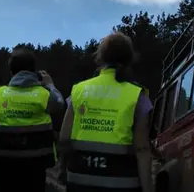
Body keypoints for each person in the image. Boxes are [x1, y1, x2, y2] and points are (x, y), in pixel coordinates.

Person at [58, 32, 154, 192]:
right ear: (130, 59)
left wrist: (62, 170)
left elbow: (64, 138)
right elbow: (142, 149)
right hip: (122, 184)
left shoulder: (79, 90)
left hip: (79, 181)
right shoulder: (138, 95)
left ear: (101, 57)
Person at [0, 48, 65, 192]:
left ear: (11, 72)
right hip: (34, 170)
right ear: (34, 71)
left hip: (1, 168)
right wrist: (49, 84)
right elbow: (60, 104)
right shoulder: (45, 95)